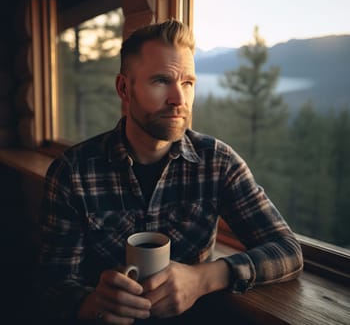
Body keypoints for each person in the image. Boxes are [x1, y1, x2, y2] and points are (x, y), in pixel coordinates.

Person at [38, 19, 303, 324]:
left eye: (188, 82)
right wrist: (90, 303)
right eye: (162, 81)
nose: (179, 98)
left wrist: (203, 279)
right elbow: (53, 286)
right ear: (124, 88)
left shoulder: (217, 163)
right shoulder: (72, 173)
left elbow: (288, 250)